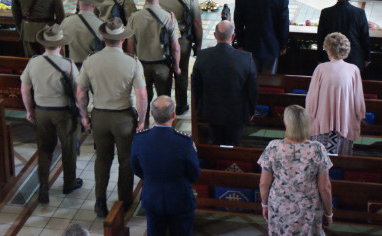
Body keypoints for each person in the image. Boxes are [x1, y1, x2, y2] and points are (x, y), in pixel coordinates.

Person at [76, 17, 148, 218]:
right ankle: (124, 200)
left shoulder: (90, 61)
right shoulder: (133, 63)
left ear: (103, 38)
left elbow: (80, 93)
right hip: (123, 117)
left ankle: (100, 201)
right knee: (125, 160)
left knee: (102, 159)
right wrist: (142, 119)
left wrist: (84, 116)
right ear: (123, 39)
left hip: (99, 117)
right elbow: (142, 96)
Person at [20, 24, 82, 204]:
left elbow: (25, 89)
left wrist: (29, 110)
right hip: (63, 113)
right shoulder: (68, 65)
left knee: (44, 149)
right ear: (60, 45)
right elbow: (78, 93)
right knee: (68, 148)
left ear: (44, 44)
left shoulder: (33, 62)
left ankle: (43, 187)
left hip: (42, 112)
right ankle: (69, 183)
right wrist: (82, 113)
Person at [258, 105, 333, 235]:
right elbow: (325, 188)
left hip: (279, 205)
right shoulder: (317, 149)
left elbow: (264, 183)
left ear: (287, 124)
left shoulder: (273, 147)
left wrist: (264, 205)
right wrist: (328, 213)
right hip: (308, 207)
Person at [131, 96, 200, 236]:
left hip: (152, 198)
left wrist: (150, 177)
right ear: (173, 115)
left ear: (151, 114)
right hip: (179, 199)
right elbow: (194, 173)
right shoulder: (184, 142)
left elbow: (135, 167)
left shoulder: (139, 139)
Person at [191, 21, 257, 145]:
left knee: (215, 142)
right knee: (234, 142)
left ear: (215, 35)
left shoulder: (202, 56)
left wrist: (200, 106)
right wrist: (251, 110)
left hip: (210, 111)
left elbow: (196, 86)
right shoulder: (246, 58)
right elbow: (252, 89)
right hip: (237, 113)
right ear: (233, 36)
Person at [127, 0, 181, 126]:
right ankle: (164, 128)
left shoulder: (134, 18)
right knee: (164, 103)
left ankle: (144, 126)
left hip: (141, 66)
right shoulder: (169, 17)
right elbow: (175, 47)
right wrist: (176, 67)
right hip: (162, 66)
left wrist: (132, 65)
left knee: (143, 99)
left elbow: (130, 45)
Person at [306, 32, 366, 155]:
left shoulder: (321, 68)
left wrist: (309, 113)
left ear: (328, 50)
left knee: (320, 156)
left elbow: (312, 95)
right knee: (342, 156)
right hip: (345, 120)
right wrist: (360, 113)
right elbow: (358, 96)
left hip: (322, 118)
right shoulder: (353, 69)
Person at [159, 0, 203, 115]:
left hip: (161, 39)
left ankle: (163, 106)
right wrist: (198, 45)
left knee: (164, 71)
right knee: (181, 72)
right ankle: (181, 105)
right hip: (182, 38)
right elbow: (197, 24)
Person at [234, 0, 289, 74]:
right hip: (271, 47)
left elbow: (238, 22)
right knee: (269, 80)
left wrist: (240, 43)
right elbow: (283, 24)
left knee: (251, 78)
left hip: (249, 45)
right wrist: (283, 45)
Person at [317, 0, 370, 72]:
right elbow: (365, 37)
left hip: (331, 57)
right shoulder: (359, 13)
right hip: (354, 59)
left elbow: (320, 37)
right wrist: (367, 57)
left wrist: (320, 58)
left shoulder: (326, 13)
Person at [60, 0, 105, 69]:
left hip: (71, 68)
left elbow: (60, 48)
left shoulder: (66, 22)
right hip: (92, 68)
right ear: (94, 5)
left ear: (78, 2)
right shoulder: (101, 25)